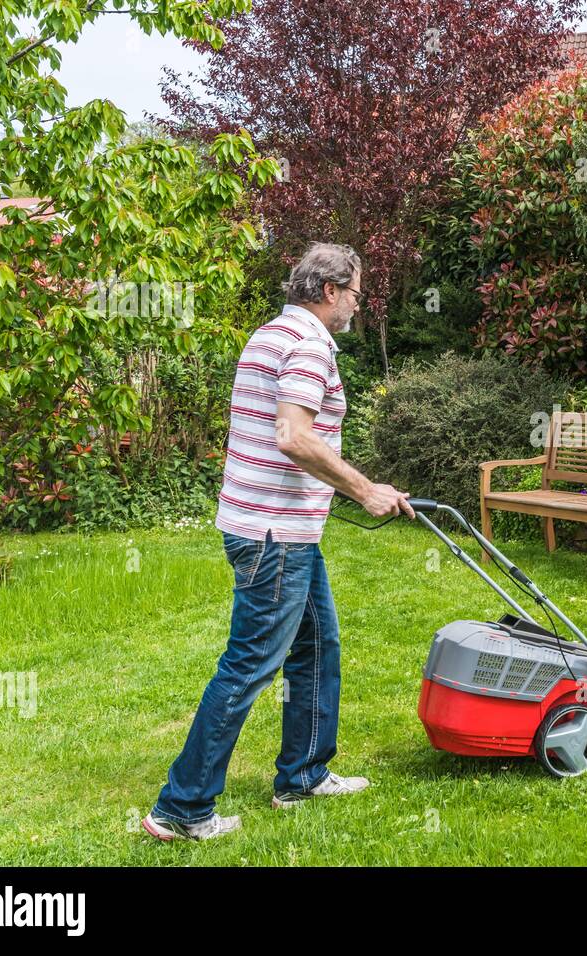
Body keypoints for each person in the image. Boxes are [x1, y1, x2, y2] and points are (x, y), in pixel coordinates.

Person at [142, 242, 414, 841]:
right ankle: (182, 808)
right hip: (274, 536)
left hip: (273, 528)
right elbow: (293, 436)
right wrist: (364, 489)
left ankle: (304, 775)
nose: (357, 305)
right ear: (329, 291)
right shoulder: (311, 345)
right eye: (356, 294)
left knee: (317, 647)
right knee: (249, 666)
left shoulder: (269, 334)